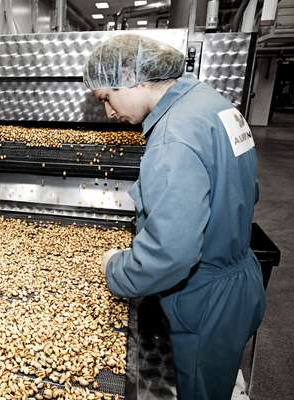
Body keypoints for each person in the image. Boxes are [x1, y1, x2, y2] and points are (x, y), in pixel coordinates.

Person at [85, 34, 265, 400]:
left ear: (129, 75)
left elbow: (172, 253)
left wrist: (115, 268)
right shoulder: (213, 105)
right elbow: (247, 190)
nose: (108, 112)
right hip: (238, 280)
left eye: (106, 97)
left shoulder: (172, 136)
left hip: (205, 303)